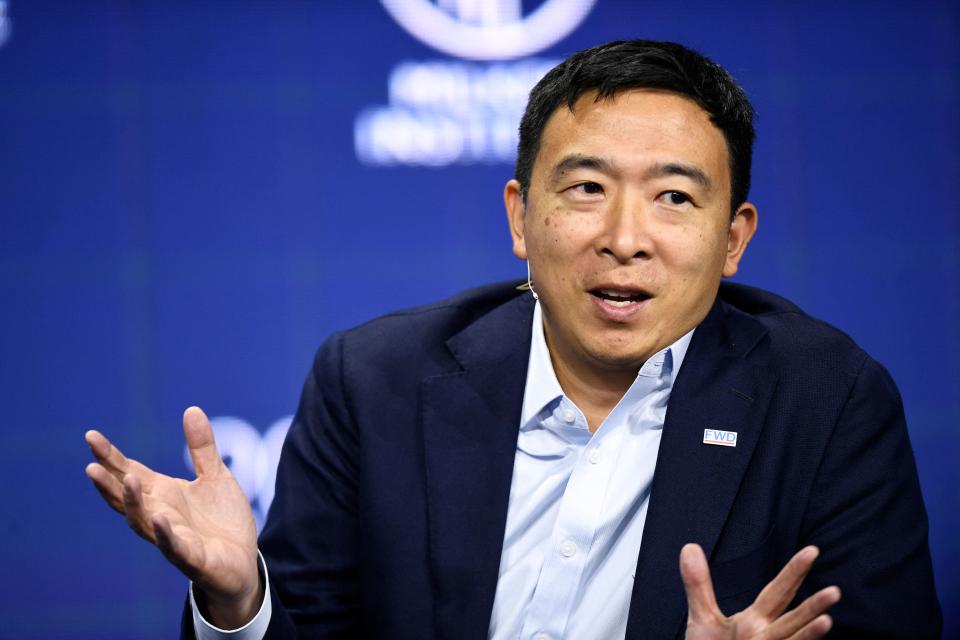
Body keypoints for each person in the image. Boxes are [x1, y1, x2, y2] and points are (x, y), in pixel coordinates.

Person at [85, 40, 941, 639]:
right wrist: (239, 603)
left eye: (674, 198)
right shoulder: (375, 382)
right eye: (585, 188)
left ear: (734, 238)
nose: (625, 236)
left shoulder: (827, 402)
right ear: (520, 219)